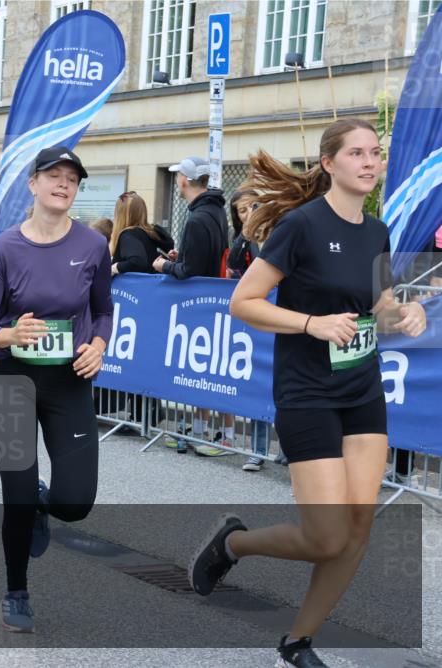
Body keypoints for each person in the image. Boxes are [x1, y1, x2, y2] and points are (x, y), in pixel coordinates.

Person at [189, 119, 427, 668]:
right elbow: (244, 302)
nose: (370, 162)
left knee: (358, 527)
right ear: (329, 164)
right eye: (358, 154)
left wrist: (404, 312)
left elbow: (380, 308)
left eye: (376, 153)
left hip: (362, 388)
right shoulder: (301, 225)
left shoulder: (376, 230)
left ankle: (296, 643)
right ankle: (233, 544)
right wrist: (310, 324)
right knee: (326, 537)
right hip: (307, 393)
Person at [0, 146, 112, 633]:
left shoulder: (93, 246)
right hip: (13, 379)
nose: (64, 183)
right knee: (17, 494)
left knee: (76, 503)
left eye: (72, 178)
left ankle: (41, 503)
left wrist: (98, 344)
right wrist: (9, 335)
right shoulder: (6, 247)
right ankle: (16, 592)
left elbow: (105, 309)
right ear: (33, 184)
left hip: (68, 382)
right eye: (54, 174)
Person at [153, 157, 231, 456]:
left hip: (201, 306)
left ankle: (217, 435)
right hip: (208, 303)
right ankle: (202, 431)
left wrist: (163, 266)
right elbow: (198, 260)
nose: (176, 181)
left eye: (177, 177)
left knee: (206, 371)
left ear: (184, 180)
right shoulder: (214, 211)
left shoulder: (200, 217)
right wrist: (180, 255)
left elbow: (190, 271)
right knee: (206, 371)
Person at [227, 190, 275, 472]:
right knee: (259, 381)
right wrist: (246, 233)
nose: (248, 214)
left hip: (286, 313)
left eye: (252, 208)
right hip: (258, 315)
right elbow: (233, 264)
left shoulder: (280, 229)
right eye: (242, 210)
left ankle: (289, 451)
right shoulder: (245, 238)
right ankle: (258, 450)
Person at [109, 191, 174, 275]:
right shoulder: (150, 232)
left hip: (136, 287)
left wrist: (115, 268)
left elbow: (137, 261)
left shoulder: (128, 234)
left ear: (119, 214)